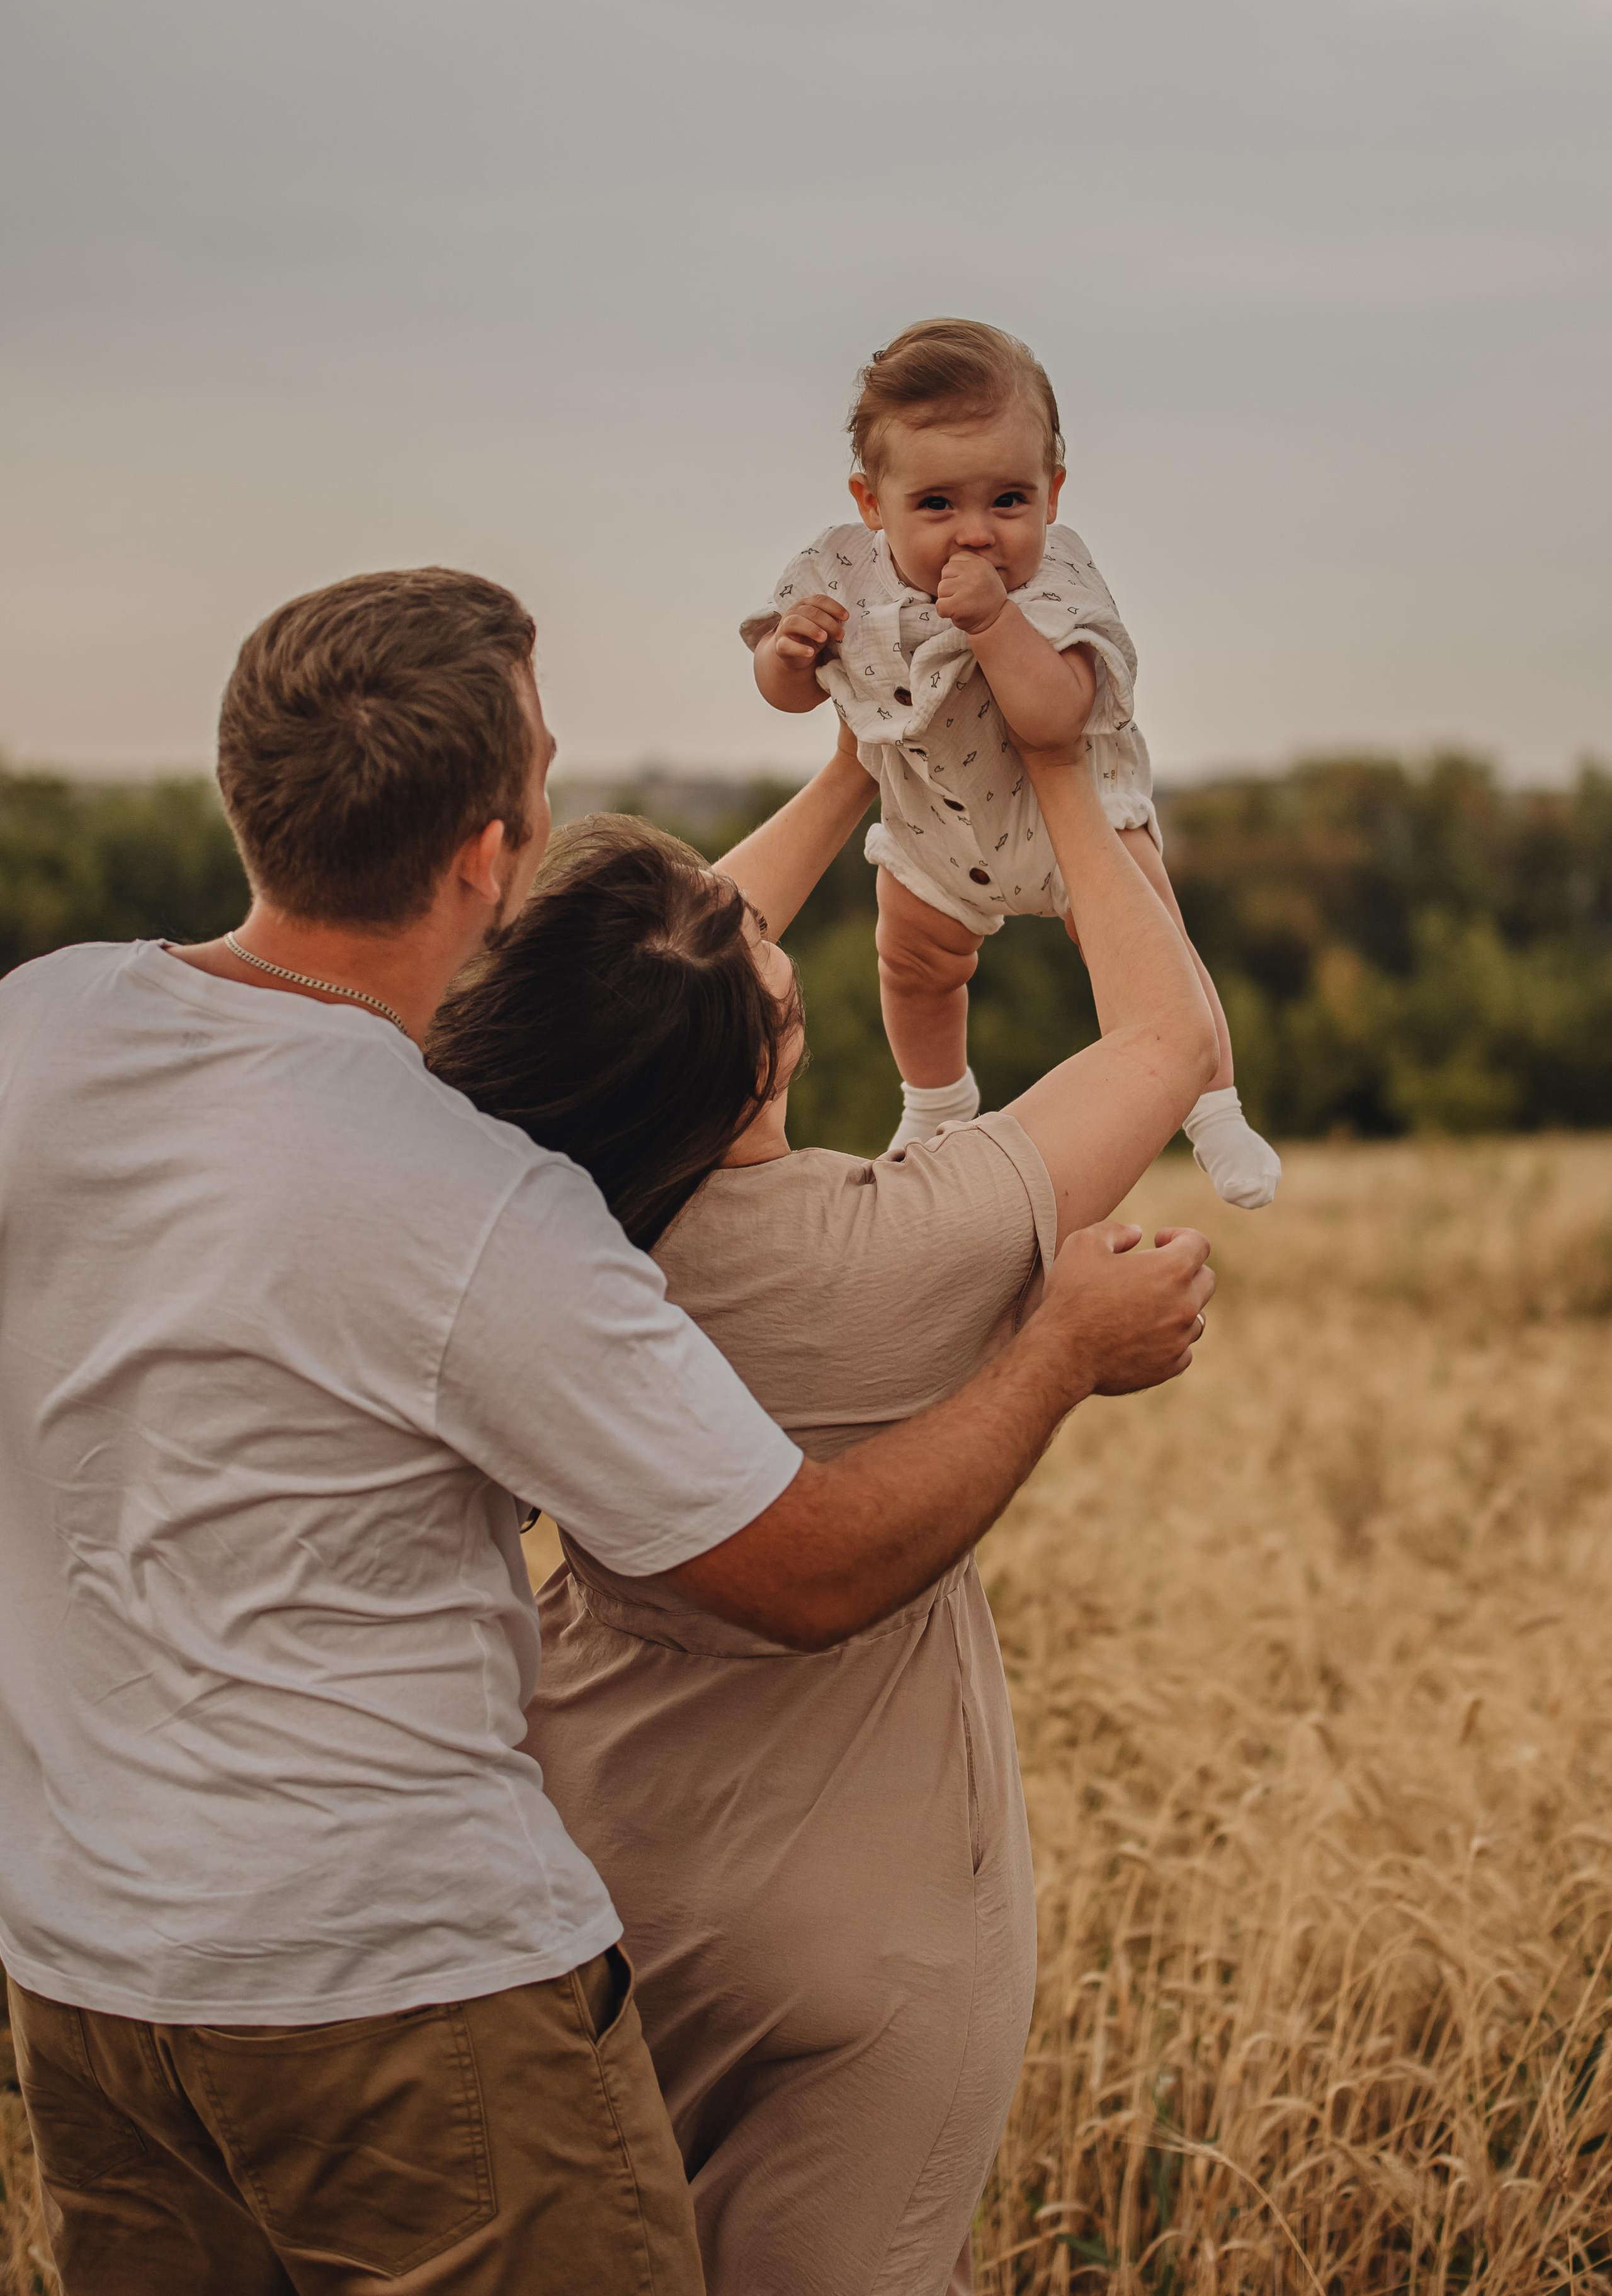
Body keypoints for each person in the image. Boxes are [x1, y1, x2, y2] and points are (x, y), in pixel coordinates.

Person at [0, 567, 1215, 2296]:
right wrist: (1050, 1355)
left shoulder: (45, 1034)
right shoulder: (482, 1198)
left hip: (88, 1970)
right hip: (398, 1991)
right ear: (490, 853)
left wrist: (866, 767)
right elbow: (802, 1571)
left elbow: (626, 984)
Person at [426, 698, 1221, 2293]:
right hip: (872, 1934)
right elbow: (1168, 1041)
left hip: (592, 1875)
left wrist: (859, 763)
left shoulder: (527, 1222)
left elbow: (625, 1000)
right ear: (775, 1049)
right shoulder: (902, 1245)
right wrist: (1064, 772)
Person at [742, 314, 1281, 1207]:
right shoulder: (841, 573)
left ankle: (1216, 1110)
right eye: (937, 505)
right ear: (872, 504)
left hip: (1078, 825)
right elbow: (791, 695)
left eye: (1007, 501)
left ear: (1053, 492)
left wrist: (996, 623)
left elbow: (1057, 717)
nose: (976, 534)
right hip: (932, 830)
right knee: (911, 965)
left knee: (1157, 960)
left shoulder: (1055, 579)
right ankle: (936, 1102)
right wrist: (790, 656)